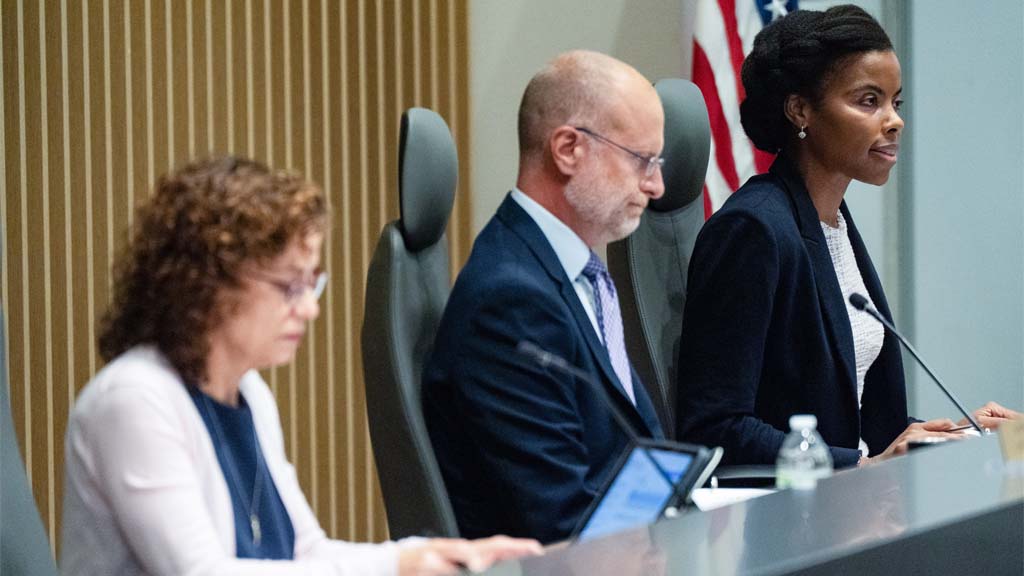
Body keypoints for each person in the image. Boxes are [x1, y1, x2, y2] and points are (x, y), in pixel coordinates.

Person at [59, 157, 541, 576]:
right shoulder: (135, 401)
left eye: (313, 284)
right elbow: (203, 573)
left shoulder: (249, 392)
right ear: (205, 284)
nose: (310, 308)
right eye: (290, 287)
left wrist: (423, 556)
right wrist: (396, 567)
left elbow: (304, 552)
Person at [675, 5, 1020, 470]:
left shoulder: (832, 220)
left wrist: (956, 434)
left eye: (896, 103)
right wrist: (860, 467)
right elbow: (715, 428)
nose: (894, 121)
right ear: (800, 110)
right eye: (868, 101)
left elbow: (858, 429)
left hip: (848, 501)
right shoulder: (753, 230)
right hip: (782, 511)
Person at [421, 50, 667, 544]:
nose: (656, 186)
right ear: (568, 149)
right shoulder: (510, 302)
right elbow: (561, 522)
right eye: (642, 160)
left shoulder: (573, 273)